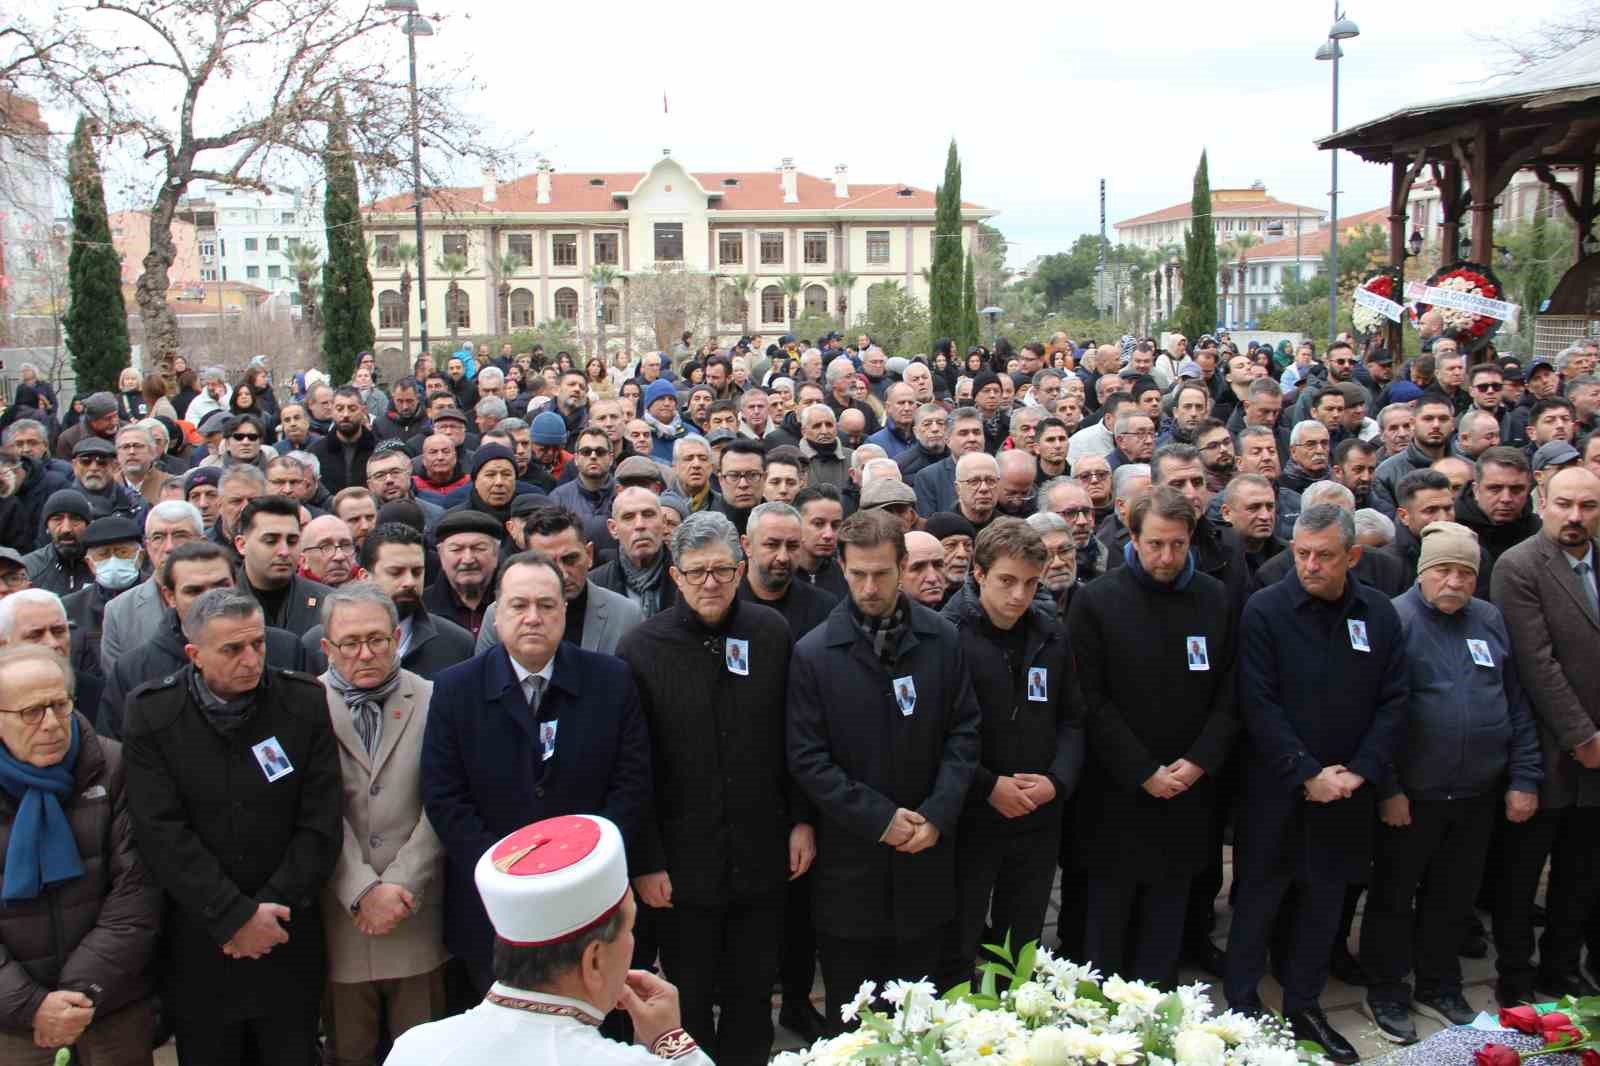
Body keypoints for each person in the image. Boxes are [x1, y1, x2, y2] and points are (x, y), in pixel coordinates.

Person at [618, 513, 809, 1065]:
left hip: (762, 853)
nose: (710, 583)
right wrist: (647, 861)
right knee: (690, 998)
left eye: (722, 571)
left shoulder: (771, 634)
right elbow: (635, 767)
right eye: (697, 572)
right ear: (675, 576)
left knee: (753, 995)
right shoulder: (641, 649)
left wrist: (801, 820)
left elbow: (793, 737)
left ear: (740, 569)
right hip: (681, 867)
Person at [123, 589, 341, 1065]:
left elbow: (320, 821)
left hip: (286, 934)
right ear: (194, 655)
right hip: (201, 941)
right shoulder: (154, 713)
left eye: (258, 645)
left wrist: (269, 910)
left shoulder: (301, 702)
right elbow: (161, 830)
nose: (251, 660)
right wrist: (233, 917)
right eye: (232, 649)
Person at [422, 550, 652, 992]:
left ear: (564, 611)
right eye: (519, 605)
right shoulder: (455, 690)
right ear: (497, 612)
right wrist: (508, 874)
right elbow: (445, 796)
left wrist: (582, 865)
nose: (533, 617)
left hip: (590, 900)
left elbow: (632, 783)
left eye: (546, 605)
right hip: (495, 907)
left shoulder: (611, 680)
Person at [1226, 506, 1407, 1063]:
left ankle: (1304, 1002)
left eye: (1324, 556)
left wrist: (1359, 772)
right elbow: (1257, 701)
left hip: (1347, 790)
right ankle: (1240, 999)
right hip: (1278, 787)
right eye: (1301, 553)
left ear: (1352, 556)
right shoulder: (1265, 609)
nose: (1310, 565)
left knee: (1325, 901)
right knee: (1260, 892)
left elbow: (1395, 699)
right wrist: (1304, 772)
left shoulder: (1376, 614)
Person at [786, 509, 980, 1024]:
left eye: (881, 573)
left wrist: (936, 813)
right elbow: (808, 757)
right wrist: (881, 819)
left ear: (902, 568)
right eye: (857, 575)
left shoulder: (942, 639)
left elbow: (964, 732)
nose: (869, 587)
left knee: (921, 1014)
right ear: (843, 570)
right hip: (851, 869)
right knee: (854, 1019)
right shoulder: (813, 653)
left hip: (927, 858)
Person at [1358, 522, 1542, 1043]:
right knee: (1394, 897)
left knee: (1452, 897)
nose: (1455, 582)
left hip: (1477, 792)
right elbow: (1376, 715)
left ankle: (1439, 983)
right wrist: (1389, 787)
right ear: (1423, 572)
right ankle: (1387, 988)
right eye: (1443, 570)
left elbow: (1516, 705)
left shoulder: (1489, 620)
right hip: (1412, 795)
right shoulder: (1394, 619)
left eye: (1466, 572)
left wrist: (1523, 777)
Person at [1070, 486, 1236, 988]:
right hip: (1118, 789)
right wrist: (1142, 770)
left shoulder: (1214, 598)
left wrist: (1199, 761)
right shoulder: (1097, 601)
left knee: (1170, 905)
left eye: (1178, 545)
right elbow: (1089, 699)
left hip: (1188, 787)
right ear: (1133, 538)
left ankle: (1159, 1001)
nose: (1167, 557)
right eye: (1156, 544)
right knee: (1109, 912)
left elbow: (1230, 692)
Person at [385, 814, 712, 1066]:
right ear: (594, 959)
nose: (631, 945)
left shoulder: (415, 1050)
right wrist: (672, 1041)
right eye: (628, 930)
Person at [939, 519, 1084, 989]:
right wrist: (988, 785)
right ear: (978, 574)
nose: (1019, 595)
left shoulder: (1051, 634)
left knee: (1022, 937)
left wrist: (1056, 781)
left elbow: (1072, 718)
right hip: (973, 813)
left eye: (1030, 583)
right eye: (1006, 581)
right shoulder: (947, 636)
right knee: (958, 934)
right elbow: (934, 733)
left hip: (1037, 810)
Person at [0, 643, 162, 1065]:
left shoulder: (114, 765)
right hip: (14, 1024)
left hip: (108, 1007)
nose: (52, 724)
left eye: (60, 705)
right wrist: (32, 1006)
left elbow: (138, 890)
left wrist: (78, 994)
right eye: (31, 712)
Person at [318, 584, 449, 1066]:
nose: (366, 653)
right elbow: (313, 812)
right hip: (341, 913)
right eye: (350, 643)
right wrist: (360, 889)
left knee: (423, 1050)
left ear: (397, 638)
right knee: (349, 1050)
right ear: (327, 647)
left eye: (378, 639)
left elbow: (444, 801)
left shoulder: (435, 699)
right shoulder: (303, 704)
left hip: (416, 909)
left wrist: (400, 882)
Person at [1489, 467, 1600, 1002]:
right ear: (1543, 502)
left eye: (1587, 505)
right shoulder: (1520, 566)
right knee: (1520, 875)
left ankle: (1563, 968)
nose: (1576, 517)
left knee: (1580, 873)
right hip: (1544, 752)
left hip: (1598, 756)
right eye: (1564, 504)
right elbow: (1536, 663)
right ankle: (1514, 974)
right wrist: (1583, 736)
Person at [97, 540, 306, 739]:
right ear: (170, 597)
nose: (211, 598)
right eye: (194, 590)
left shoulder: (285, 650)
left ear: (236, 585)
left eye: (221, 586)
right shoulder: (133, 670)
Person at [476, 505, 643, 656]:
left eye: (570, 559)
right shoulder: (498, 614)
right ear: (528, 561)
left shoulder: (625, 615)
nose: (561, 574)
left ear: (589, 555)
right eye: (547, 562)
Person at [98, 500, 205, 673]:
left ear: (203, 542)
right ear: (147, 547)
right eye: (158, 537)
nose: (169, 547)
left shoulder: (229, 599)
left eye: (180, 535)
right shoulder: (119, 611)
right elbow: (117, 684)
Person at [738, 501, 837, 643]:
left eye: (792, 546)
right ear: (747, 545)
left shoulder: (823, 608)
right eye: (772, 545)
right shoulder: (724, 604)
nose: (783, 557)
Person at [233, 495, 330, 636]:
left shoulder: (328, 603)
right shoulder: (219, 606)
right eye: (271, 541)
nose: (284, 551)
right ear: (242, 545)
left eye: (292, 541)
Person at [590, 487, 678, 619]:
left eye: (648, 514)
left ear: (664, 522)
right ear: (613, 528)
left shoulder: (688, 576)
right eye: (628, 517)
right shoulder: (594, 585)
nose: (640, 525)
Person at [425, 510, 502, 636]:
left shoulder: (516, 602)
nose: (468, 559)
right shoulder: (422, 608)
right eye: (456, 549)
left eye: (479, 548)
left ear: (496, 553)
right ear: (440, 554)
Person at [24, 489, 95, 596]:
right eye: (57, 519)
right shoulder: (28, 569)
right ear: (47, 527)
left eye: (75, 519)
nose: (66, 529)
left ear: (88, 525)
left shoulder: (102, 565)